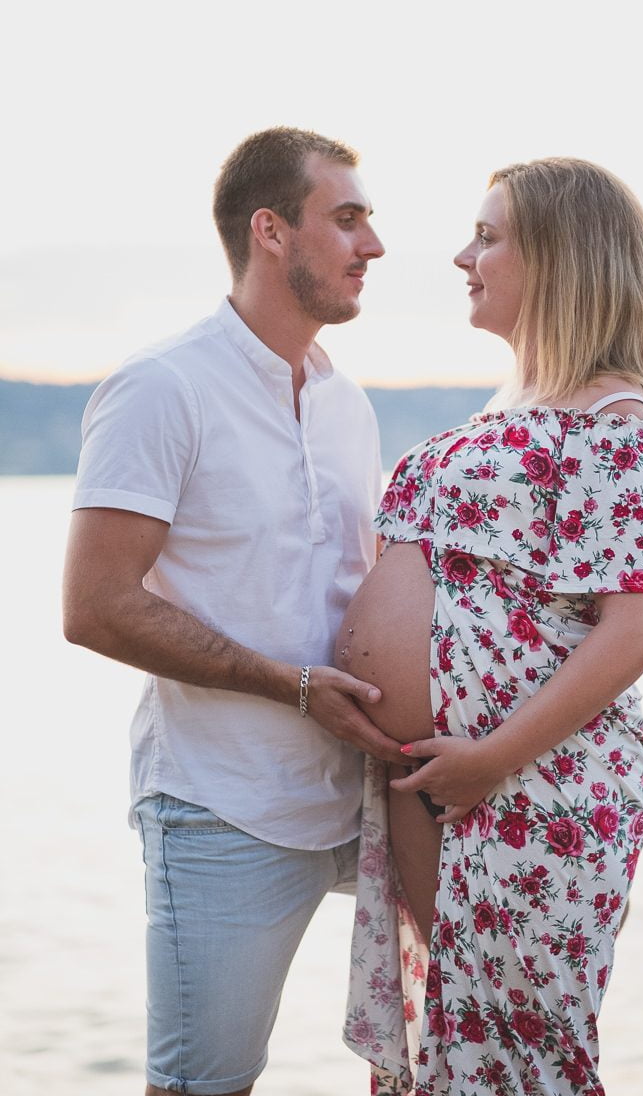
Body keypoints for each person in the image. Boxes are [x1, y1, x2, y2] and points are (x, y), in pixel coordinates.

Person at [339, 158, 643, 1095]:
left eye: (488, 237)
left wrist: (491, 758)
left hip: (534, 781)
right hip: (450, 781)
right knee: (459, 1054)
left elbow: (636, 629)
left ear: (562, 258)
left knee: (529, 1058)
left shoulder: (617, 417)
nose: (464, 257)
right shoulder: (518, 409)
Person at [62, 126, 406, 1096]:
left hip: (365, 795)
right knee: (204, 1087)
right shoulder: (162, 388)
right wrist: (291, 687)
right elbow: (94, 608)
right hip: (224, 808)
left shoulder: (346, 403)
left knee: (434, 1057)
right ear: (270, 231)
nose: (373, 245)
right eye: (347, 218)